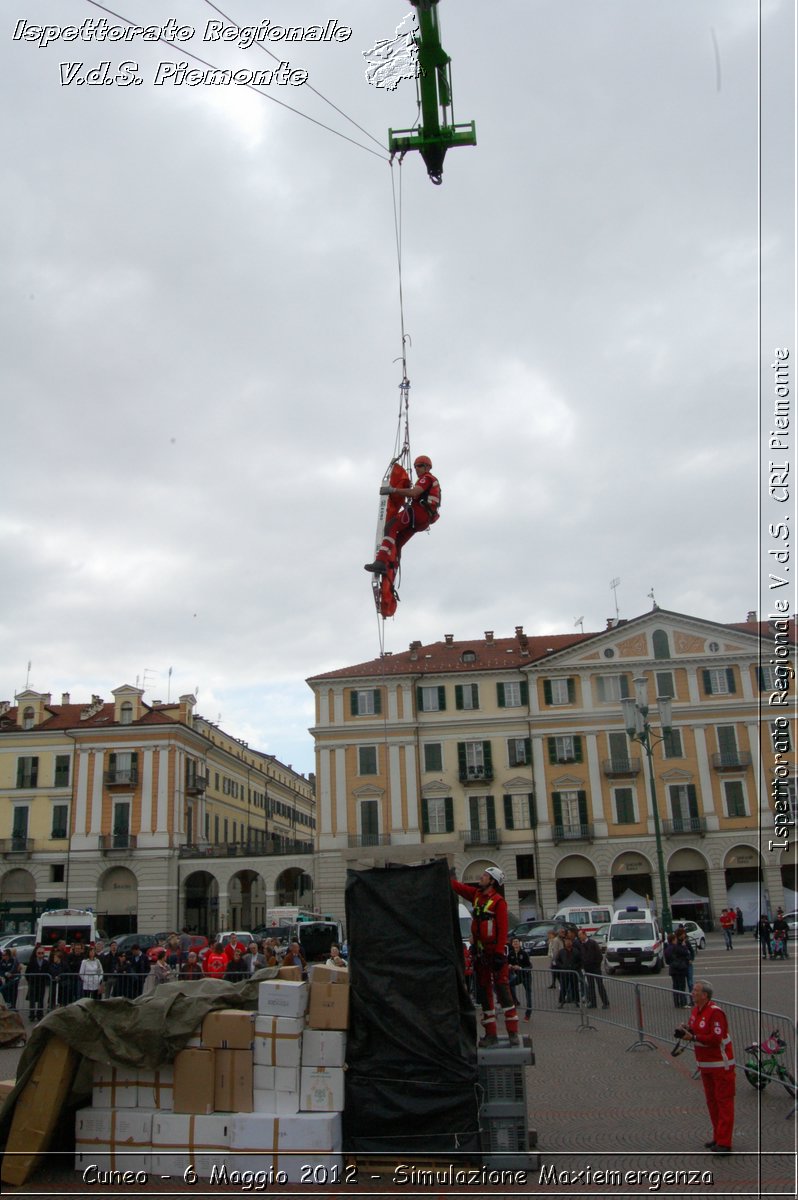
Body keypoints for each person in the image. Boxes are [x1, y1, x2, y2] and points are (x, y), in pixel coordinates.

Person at [452, 867, 520, 1047]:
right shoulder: (476, 896)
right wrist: (447, 876)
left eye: (484, 876)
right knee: (484, 994)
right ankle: (491, 1034)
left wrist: (499, 953)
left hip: (494, 954)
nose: (480, 877)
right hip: (481, 954)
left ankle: (513, 1032)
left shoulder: (498, 902)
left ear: (492, 881)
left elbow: (502, 929)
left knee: (503, 991)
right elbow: (459, 888)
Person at [678, 979, 735, 1153]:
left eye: (695, 991)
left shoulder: (715, 1013)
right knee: (712, 1102)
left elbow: (716, 1038)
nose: (692, 993)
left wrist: (694, 1038)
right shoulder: (696, 1010)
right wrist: (688, 1029)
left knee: (723, 1102)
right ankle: (718, 1136)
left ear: (705, 995)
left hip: (720, 1065)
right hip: (705, 1065)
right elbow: (698, 1030)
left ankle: (725, 1142)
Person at [364, 455, 441, 575]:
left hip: (419, 514)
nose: (416, 469)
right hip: (422, 521)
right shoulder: (430, 482)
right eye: (415, 466)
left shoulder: (426, 478)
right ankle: (391, 568)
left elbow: (414, 492)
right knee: (397, 543)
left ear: (427, 467)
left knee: (391, 527)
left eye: (419, 466)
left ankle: (380, 561)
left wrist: (393, 490)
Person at [576, 929, 609, 1009]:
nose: (579, 937)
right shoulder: (581, 945)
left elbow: (599, 955)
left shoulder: (592, 943)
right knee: (591, 986)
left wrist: (596, 964)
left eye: (580, 935)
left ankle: (605, 1002)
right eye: (579, 935)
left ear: (584, 934)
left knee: (600, 985)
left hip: (595, 968)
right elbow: (581, 956)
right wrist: (583, 965)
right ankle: (593, 1003)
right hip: (587, 968)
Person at [507, 937, 532, 1019]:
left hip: (526, 976)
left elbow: (529, 966)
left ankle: (528, 1014)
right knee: (509, 984)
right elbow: (507, 963)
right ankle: (514, 1001)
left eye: (517, 941)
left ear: (519, 943)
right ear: (512, 944)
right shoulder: (510, 954)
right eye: (514, 942)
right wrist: (509, 966)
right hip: (519, 976)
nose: (515, 943)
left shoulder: (524, 953)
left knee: (528, 994)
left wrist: (521, 968)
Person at [25, 947, 52, 1021]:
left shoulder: (46, 962)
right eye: (39, 953)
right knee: (32, 1000)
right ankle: (32, 1015)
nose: (40, 955)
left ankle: (40, 1014)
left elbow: (49, 972)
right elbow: (27, 973)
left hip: (41, 983)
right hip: (33, 983)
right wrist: (30, 981)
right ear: (36, 954)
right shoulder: (32, 962)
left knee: (41, 999)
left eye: (42, 953)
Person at [665, 932, 691, 1008]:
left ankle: (676, 1003)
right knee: (682, 986)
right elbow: (685, 952)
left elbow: (667, 961)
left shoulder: (667, 949)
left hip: (672, 969)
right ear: (673, 940)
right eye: (675, 939)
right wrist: (684, 946)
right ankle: (683, 1003)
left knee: (675, 986)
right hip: (680, 968)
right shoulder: (676, 947)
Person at [555, 933, 582, 1007]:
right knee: (563, 987)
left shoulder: (576, 951)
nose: (568, 943)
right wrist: (561, 966)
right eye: (566, 941)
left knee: (575, 987)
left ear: (571, 942)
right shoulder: (561, 952)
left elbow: (580, 961)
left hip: (573, 972)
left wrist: (576, 967)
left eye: (569, 941)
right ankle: (562, 1002)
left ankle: (576, 1001)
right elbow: (557, 960)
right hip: (564, 972)